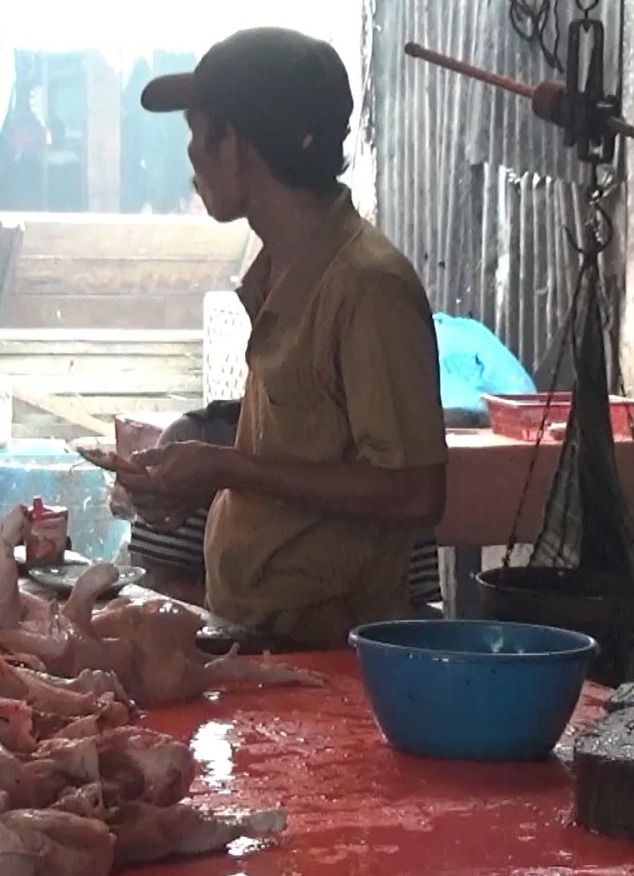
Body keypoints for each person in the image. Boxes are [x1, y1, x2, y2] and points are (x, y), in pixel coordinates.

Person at [118, 28, 449, 649]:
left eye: (199, 131)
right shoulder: (282, 269)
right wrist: (197, 479)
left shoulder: (368, 285)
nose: (191, 155)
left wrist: (225, 466)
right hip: (257, 633)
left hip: (329, 651)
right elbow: (300, 454)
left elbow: (415, 491)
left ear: (237, 144)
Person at [119, 401, 442, 611]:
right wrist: (251, 618)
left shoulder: (392, 468)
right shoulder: (205, 437)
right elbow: (156, 587)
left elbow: (416, 604)